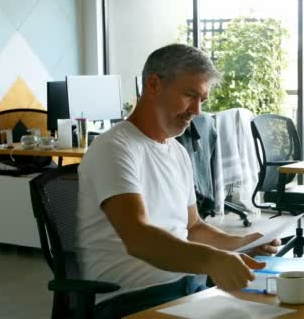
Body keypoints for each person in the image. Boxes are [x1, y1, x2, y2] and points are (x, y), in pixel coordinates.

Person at [76, 43, 281, 318]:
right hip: (131, 300)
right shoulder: (114, 147)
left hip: (187, 290)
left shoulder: (177, 151)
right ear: (153, 85)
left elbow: (193, 227)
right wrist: (212, 261)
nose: (197, 111)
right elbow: (138, 238)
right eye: (189, 95)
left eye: (202, 100)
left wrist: (242, 244)